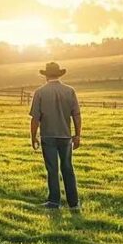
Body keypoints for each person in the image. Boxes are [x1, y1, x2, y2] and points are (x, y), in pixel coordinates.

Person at [29, 62, 82, 209]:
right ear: (59, 74)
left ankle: (54, 201)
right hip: (65, 136)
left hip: (48, 136)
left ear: (45, 75)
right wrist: (77, 135)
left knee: (52, 169)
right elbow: (76, 115)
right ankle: (74, 203)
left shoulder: (40, 92)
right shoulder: (70, 91)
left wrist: (33, 137)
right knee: (67, 167)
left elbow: (35, 118)